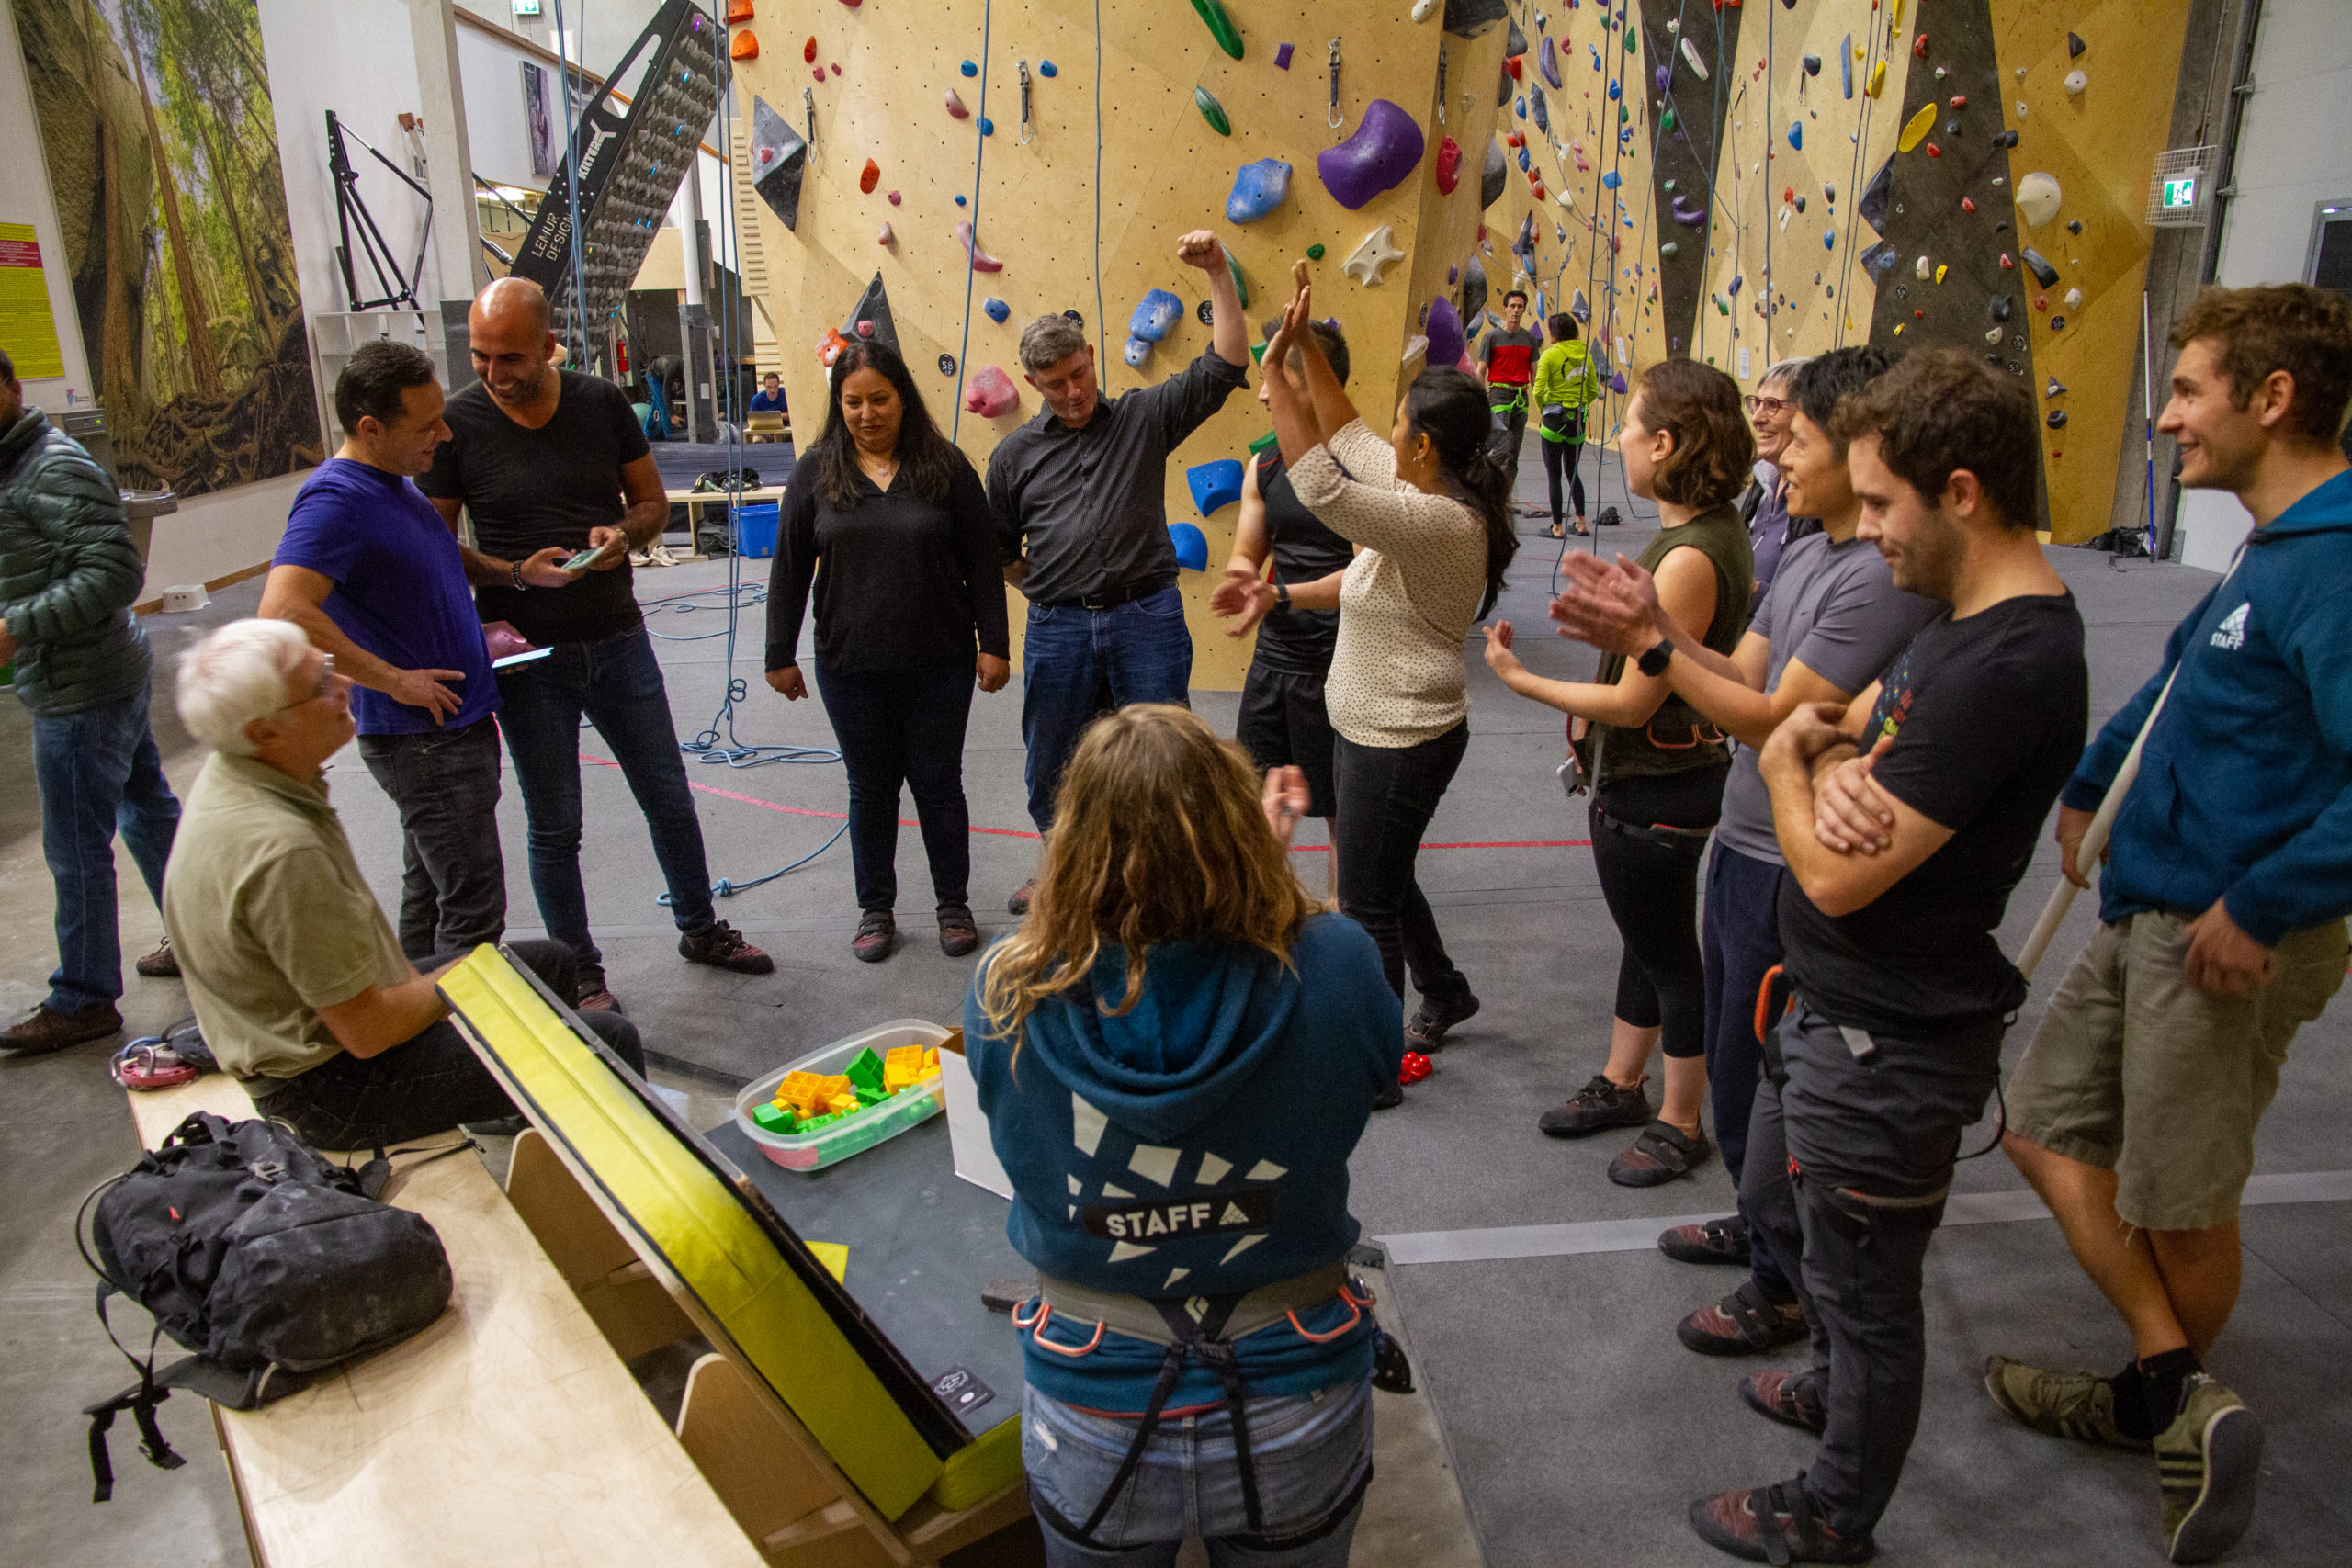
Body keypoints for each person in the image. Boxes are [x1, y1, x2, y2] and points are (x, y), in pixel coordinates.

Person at [1686, 348, 2088, 1565]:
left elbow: (1834, 866)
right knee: (1799, 1227)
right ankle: (1829, 1385)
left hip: (1892, 1039)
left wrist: (1782, 768)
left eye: (1880, 505)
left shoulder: (2009, 659)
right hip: (1839, 1005)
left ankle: (1835, 1506)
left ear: (1960, 491)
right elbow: (1844, 728)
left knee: (1867, 1295)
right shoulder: (1959, 624)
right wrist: (1825, 760)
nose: (1865, 534)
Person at [1977, 284, 2352, 1566]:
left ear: (2274, 397)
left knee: (2179, 1194)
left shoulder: (2341, 557)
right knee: (2035, 1123)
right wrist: (2093, 780)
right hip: (2151, 905)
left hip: (2228, 931)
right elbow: (2186, 679)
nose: (2167, 412)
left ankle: (2164, 1405)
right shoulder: (2275, 543)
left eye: (2189, 389)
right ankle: (2174, 1381)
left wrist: (2266, 900)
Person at [1549, 346, 1938, 1342]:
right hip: (1748, 835)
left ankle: (1782, 1280)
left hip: (1798, 857)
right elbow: (1738, 671)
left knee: (1773, 1070)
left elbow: (1770, 716)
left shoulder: (1877, 581)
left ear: (1859, 450)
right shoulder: (1804, 546)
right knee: (1734, 1054)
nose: (1778, 454)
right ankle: (1761, 1228)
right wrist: (1653, 634)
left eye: (1795, 436)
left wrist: (1646, 647)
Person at [967, 704, 1398, 1568]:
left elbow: (1014, 1121)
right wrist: (1267, 890)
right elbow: (1369, 1067)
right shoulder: (1338, 960)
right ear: (1237, 827)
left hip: (1095, 1385)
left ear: (1073, 839)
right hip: (1293, 1372)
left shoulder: (1007, 989)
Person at [418, 277, 771, 1010]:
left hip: (615, 636)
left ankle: (700, 926)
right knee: (556, 822)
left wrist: (623, 537)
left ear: (551, 347)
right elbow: (434, 541)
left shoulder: (600, 404)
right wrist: (513, 571)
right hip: (527, 657)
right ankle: (578, 969)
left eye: (510, 357)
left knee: (669, 796)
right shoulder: (459, 425)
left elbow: (651, 503)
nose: (494, 373)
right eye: (481, 357)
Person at [160, 620, 645, 1149]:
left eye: (327, 667)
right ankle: (641, 1199)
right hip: (330, 1091)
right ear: (264, 731)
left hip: (322, 1032)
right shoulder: (282, 850)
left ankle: (520, 1107)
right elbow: (369, 1033)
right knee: (607, 1040)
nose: (343, 684)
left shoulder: (240, 772)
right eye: (320, 686)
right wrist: (470, 973)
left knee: (549, 962)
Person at [1481, 360, 1753, 1184]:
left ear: (1664, 444)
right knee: (1649, 939)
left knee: (1671, 957)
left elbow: (1637, 700)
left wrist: (1526, 682)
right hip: (1650, 780)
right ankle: (1624, 1079)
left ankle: (1680, 1118)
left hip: (1660, 786)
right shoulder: (1692, 538)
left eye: (1632, 427)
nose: (1623, 439)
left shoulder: (1690, 557)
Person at [1259, 263, 1517, 1086]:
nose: (1390, 431)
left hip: (1399, 739)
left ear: (1428, 445)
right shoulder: (1423, 480)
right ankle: (1444, 990)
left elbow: (1325, 484)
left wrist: (1277, 381)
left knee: (1366, 906)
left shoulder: (1436, 519)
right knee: (1383, 870)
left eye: (1405, 422)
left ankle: (1374, 1063)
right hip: (1373, 724)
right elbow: (1355, 436)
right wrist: (1302, 344)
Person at [990, 230, 1252, 912]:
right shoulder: (1013, 456)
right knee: (1052, 760)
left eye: (1080, 375)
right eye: (1055, 385)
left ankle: (1171, 874)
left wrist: (1219, 271)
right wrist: (1045, 588)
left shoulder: (1141, 417)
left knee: (1170, 756)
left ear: (1092, 358)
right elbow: (998, 547)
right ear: (1032, 384)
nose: (1073, 392)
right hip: (1058, 624)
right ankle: (1060, 869)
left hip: (1147, 615)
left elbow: (1225, 363)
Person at [763, 340, 1012, 963]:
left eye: (880, 399)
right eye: (853, 402)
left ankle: (953, 903)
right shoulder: (816, 471)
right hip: (850, 665)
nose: (867, 413)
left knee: (938, 783)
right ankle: (875, 909)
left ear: (903, 398)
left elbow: (983, 564)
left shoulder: (947, 467)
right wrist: (778, 653)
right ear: (837, 403)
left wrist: (996, 644)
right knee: (869, 787)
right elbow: (789, 568)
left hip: (940, 662)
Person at [261, 340, 506, 964]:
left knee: (430, 891)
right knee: (473, 905)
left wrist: (510, 579)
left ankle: (416, 1014)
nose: (443, 435)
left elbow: (426, 566)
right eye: (426, 425)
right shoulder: (338, 498)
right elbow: (285, 610)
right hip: (423, 739)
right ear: (371, 428)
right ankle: (465, 1044)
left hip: (448, 731)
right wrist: (392, 679)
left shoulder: (395, 485)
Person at [0, 346, 181, 1054]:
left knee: (76, 846)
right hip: (99, 674)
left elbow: (113, 572)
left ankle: (83, 996)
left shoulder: (52, 464)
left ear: (12, 388)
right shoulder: (17, 466)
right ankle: (201, 936)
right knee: (148, 812)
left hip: (83, 688)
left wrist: (18, 626)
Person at [1208, 318, 1357, 856]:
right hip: (1276, 661)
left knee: (1344, 813)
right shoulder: (1264, 463)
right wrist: (1244, 576)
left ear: (1311, 383)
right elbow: (1249, 549)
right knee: (1258, 803)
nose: (1264, 391)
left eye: (1275, 376)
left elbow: (1365, 579)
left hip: (1343, 664)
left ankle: (1348, 927)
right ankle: (1264, 921)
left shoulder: (1364, 469)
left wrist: (1285, 594)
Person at [1739, 359, 1811, 599]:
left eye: (1772, 405)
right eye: (1757, 404)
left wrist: (1751, 591)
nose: (1757, 418)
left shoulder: (1815, 500)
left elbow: (1805, 607)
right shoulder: (1764, 480)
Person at [1530, 313, 1600, 538]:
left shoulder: (1550, 355)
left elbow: (1538, 390)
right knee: (1573, 472)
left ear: (1555, 333)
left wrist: (1545, 410)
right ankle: (1581, 523)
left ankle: (1557, 527)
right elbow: (1592, 392)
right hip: (1576, 422)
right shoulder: (1586, 356)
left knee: (1554, 474)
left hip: (1553, 422)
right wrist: (1578, 406)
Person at [1479, 288, 1542, 500]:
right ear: (1504, 308)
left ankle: (1503, 498)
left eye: (1520, 306)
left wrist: (1544, 408)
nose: (1515, 310)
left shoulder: (1530, 339)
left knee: (1513, 454)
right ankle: (1483, 490)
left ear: (1524, 310)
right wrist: (1480, 402)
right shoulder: (1492, 337)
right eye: (1512, 306)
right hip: (1499, 396)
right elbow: (1481, 371)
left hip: (1520, 398)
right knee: (1500, 450)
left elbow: (1535, 378)